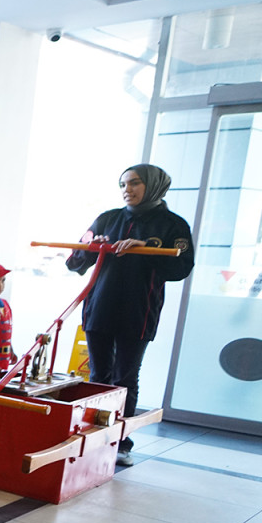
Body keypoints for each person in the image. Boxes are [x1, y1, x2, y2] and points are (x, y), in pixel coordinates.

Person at [67, 163, 195, 465]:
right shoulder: (107, 219)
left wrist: (147, 249)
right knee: (98, 377)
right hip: (100, 308)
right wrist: (92, 248)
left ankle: (120, 442)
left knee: (124, 378)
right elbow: (74, 262)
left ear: (154, 185)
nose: (128, 190)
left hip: (139, 311)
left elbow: (181, 268)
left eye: (135, 183)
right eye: (123, 184)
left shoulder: (173, 225)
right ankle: (93, 437)